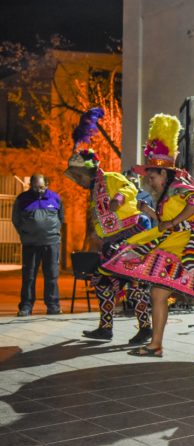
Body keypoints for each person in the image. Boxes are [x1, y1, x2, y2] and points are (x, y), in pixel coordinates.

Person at [101, 113, 194, 365]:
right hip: (172, 249)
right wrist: (153, 214)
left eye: (152, 176)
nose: (150, 181)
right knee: (158, 293)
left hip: (192, 250)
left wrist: (169, 222)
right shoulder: (166, 195)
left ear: (165, 174)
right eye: (149, 177)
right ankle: (156, 344)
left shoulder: (181, 188)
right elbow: (169, 224)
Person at [64, 108, 153, 345]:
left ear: (88, 171)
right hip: (113, 242)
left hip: (133, 234)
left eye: (79, 174)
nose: (78, 180)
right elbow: (103, 219)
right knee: (103, 282)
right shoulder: (94, 193)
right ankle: (105, 328)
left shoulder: (111, 178)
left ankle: (146, 329)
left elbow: (130, 189)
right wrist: (97, 234)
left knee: (135, 284)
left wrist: (119, 200)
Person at [12, 174, 64, 316]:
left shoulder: (55, 198)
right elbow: (16, 220)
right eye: (35, 187)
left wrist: (53, 232)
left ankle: (53, 306)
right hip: (31, 244)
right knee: (28, 276)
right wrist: (25, 235)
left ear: (46, 185)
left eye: (41, 187)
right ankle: (26, 307)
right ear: (30, 186)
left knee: (52, 276)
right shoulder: (22, 199)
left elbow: (61, 218)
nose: (38, 190)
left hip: (51, 243)